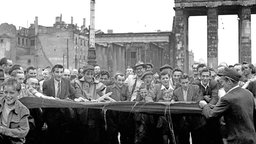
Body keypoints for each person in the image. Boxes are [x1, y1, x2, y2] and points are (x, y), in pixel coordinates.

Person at [199, 67, 256, 144]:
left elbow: (210, 115)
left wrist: (204, 105)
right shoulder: (248, 93)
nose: (222, 85)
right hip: (251, 139)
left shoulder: (227, 98)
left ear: (229, 81)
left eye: (222, 82)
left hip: (236, 140)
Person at [42, 64, 78, 144]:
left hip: (64, 112)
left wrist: (77, 99)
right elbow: (44, 97)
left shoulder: (67, 81)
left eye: (61, 72)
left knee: (64, 135)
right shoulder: (46, 83)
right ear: (53, 73)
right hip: (51, 112)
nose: (59, 74)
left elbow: (74, 93)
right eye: (57, 72)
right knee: (53, 135)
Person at [172, 74, 205, 144]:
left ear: (189, 82)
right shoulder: (176, 92)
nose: (185, 85)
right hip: (182, 119)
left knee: (197, 139)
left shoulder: (196, 88)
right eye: (183, 83)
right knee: (183, 140)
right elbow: (174, 101)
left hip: (194, 118)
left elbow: (199, 100)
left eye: (186, 82)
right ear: (180, 83)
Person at [0, 78, 30, 144]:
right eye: (5, 92)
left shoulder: (23, 110)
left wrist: (4, 130)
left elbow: (23, 131)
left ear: (18, 93)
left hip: (14, 142)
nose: (8, 96)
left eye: (12, 93)